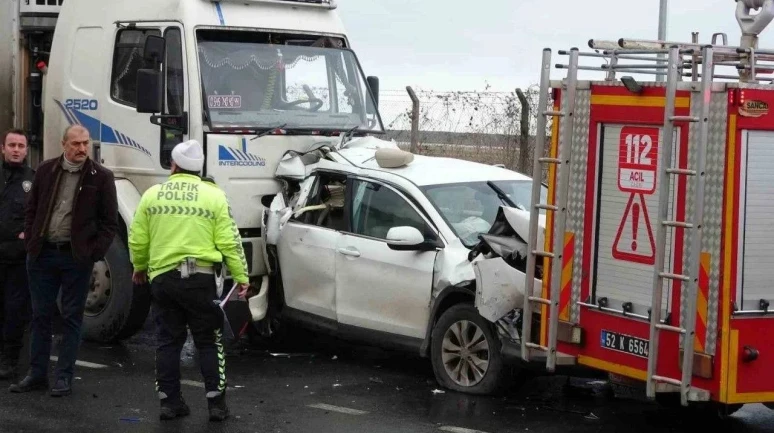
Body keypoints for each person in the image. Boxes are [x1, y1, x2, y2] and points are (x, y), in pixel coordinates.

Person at [128, 139, 249, 422]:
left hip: (163, 279)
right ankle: (216, 405)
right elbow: (230, 241)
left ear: (173, 165)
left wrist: (139, 267)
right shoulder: (214, 196)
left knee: (168, 340)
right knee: (209, 341)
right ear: (199, 168)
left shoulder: (152, 195)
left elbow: (137, 237)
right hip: (200, 281)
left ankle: (170, 403)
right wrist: (242, 277)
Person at [10, 125, 118, 397]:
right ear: (64, 144)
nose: (82, 148)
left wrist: (93, 253)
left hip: (75, 258)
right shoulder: (46, 170)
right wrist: (32, 241)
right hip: (42, 254)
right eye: (76, 144)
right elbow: (31, 208)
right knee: (40, 316)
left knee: (71, 318)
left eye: (85, 143)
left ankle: (64, 377)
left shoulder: (101, 177)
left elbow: (109, 223)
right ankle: (36, 374)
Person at [0, 129, 34, 380]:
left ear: (26, 150)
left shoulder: (33, 180)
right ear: (3, 148)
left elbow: (41, 214)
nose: (16, 149)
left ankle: (10, 360)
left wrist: (29, 234)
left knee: (15, 310)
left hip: (18, 259)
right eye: (11, 144)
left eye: (20, 145)